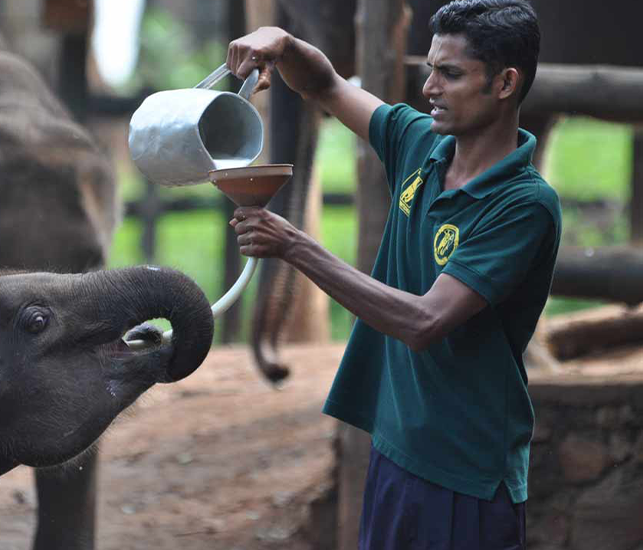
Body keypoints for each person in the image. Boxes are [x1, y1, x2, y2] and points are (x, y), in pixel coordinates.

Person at [226, 1, 560, 548]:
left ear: (505, 83)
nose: (429, 87)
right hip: (394, 450)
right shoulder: (419, 145)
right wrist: (281, 42)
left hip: (465, 472)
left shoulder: (523, 206)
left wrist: (295, 246)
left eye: (449, 74)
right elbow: (328, 86)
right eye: (430, 68)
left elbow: (424, 321)